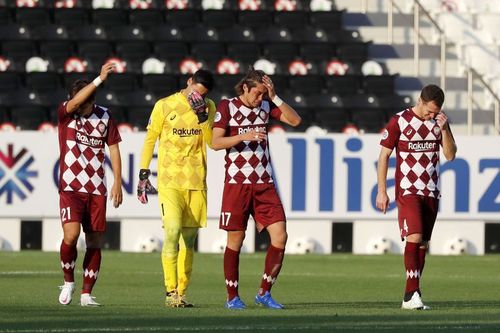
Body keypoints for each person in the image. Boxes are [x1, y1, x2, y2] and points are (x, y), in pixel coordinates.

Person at [212, 68, 302, 309]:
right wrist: (244, 137)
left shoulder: (265, 106)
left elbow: (295, 120)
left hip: (264, 183)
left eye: (263, 94)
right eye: (257, 93)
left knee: (280, 236)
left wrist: (275, 97)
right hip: (236, 184)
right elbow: (215, 142)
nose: (259, 98)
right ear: (245, 88)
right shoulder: (227, 107)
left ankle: (264, 292)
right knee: (236, 239)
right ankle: (232, 297)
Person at [137, 69, 216, 308]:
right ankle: (170, 291)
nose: (198, 97)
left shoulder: (209, 107)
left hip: (196, 182)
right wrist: (143, 173)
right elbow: (150, 138)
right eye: (196, 92)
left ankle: (181, 292)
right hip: (169, 181)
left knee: (188, 242)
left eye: (202, 95)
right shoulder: (164, 105)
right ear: (189, 82)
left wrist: (202, 117)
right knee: (171, 231)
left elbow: (212, 143)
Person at [376, 84, 457, 310]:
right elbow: (383, 157)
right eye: (430, 111)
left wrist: (445, 129)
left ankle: (411, 295)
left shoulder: (439, 123)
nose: (432, 115)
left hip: (431, 190)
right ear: (420, 100)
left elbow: (450, 155)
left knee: (422, 244)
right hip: (407, 189)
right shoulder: (399, 121)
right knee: (414, 235)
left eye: (436, 111)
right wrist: (382, 190)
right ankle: (411, 294)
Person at [57, 62, 123, 307]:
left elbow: (114, 149)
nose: (80, 107)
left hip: (97, 189)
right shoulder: (66, 114)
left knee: (94, 242)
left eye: (85, 103)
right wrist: (99, 79)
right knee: (71, 235)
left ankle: (86, 294)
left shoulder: (104, 115)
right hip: (71, 188)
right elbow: (74, 103)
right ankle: (68, 281)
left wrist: (117, 182)